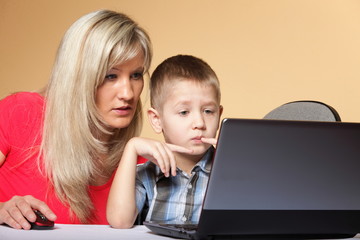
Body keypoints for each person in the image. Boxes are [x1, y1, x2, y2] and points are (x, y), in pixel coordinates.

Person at [0, 9, 152, 229]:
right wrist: (2, 209)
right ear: (78, 77)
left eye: (136, 75)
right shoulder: (20, 112)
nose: (128, 93)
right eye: (111, 76)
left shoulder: (140, 165)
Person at [107, 54, 223, 228]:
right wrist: (131, 148)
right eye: (184, 112)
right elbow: (120, 221)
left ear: (219, 114)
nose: (199, 123)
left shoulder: (228, 172)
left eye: (208, 111)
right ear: (156, 119)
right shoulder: (145, 174)